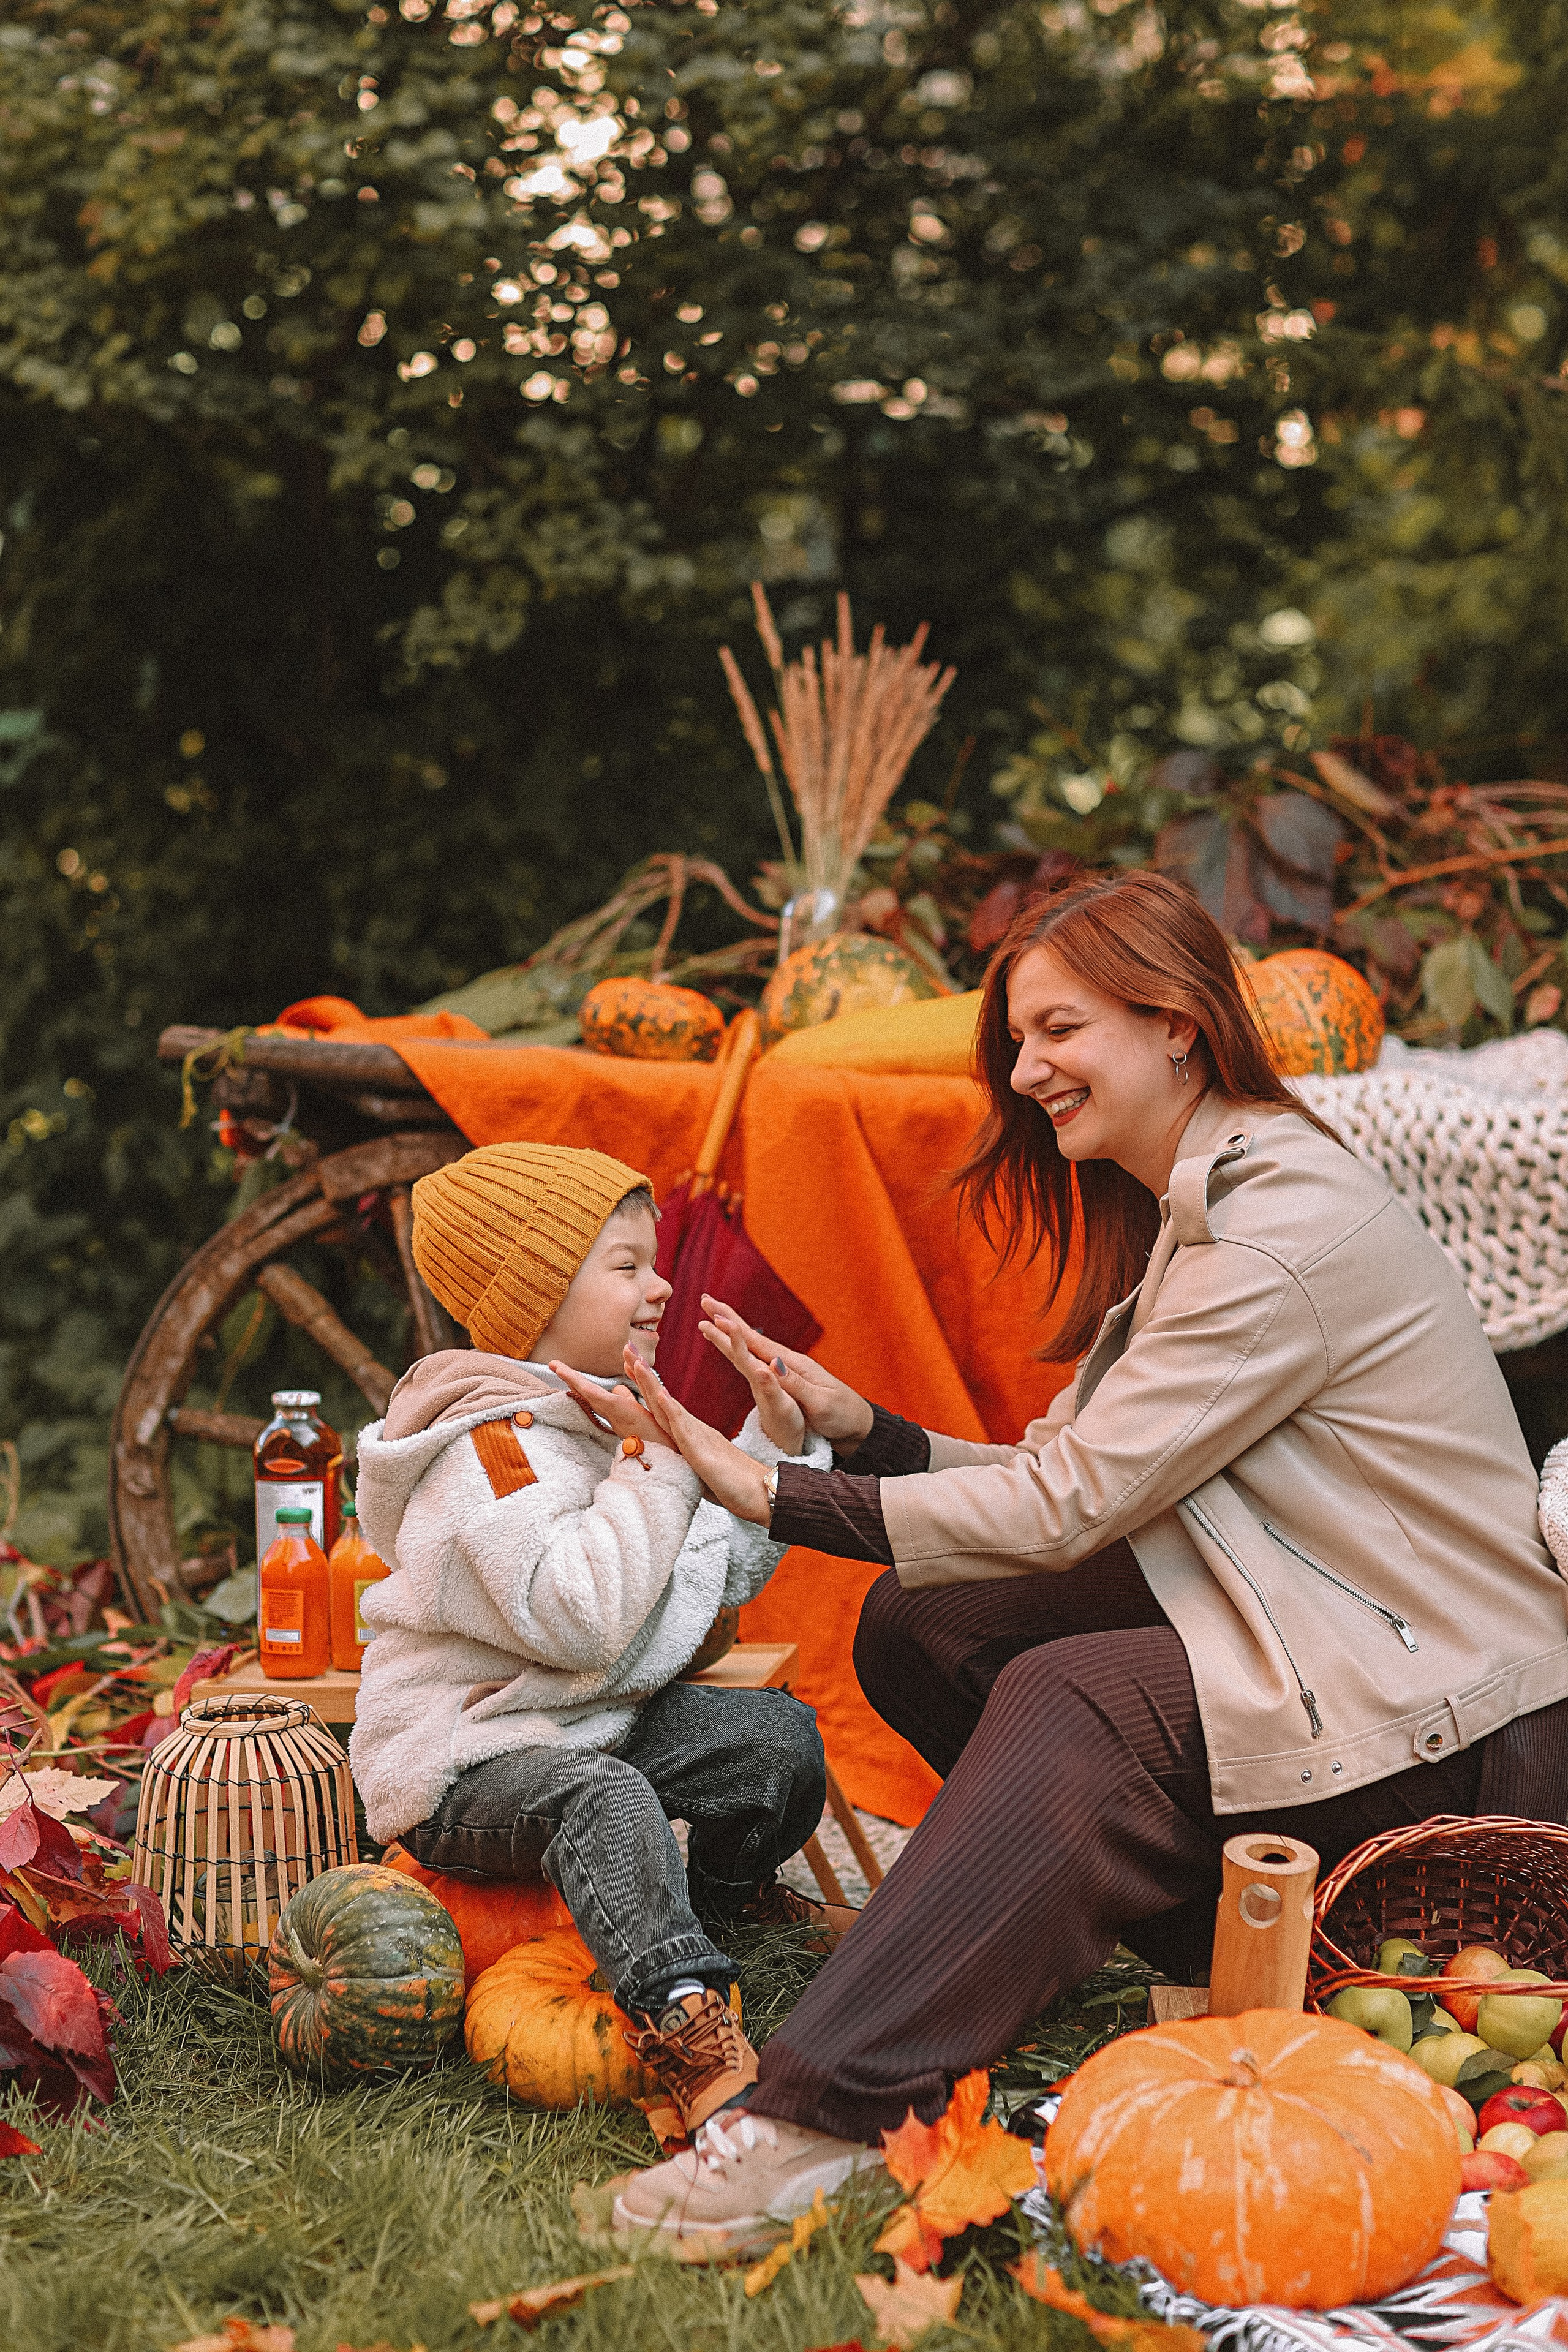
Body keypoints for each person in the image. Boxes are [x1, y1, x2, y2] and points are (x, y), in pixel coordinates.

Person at [548, 870, 1568, 2255]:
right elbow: (1057, 1488)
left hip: (1467, 1735)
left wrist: (770, 1489)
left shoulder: (1276, 1229)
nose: (1024, 1072)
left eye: (1056, 1030)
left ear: (1177, 1028)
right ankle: (1214, 1955)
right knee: (929, 1619)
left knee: (1079, 1705)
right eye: (1017, 1040)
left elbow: (1068, 1503)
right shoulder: (1208, 1209)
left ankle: (812, 2124)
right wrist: (869, 1436)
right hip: (1342, 1645)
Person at [350, 1140, 851, 2135]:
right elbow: (583, 1617)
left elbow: (707, 1574)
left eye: (651, 1261)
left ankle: (706, 1909)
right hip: (467, 1765)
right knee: (604, 1795)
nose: (661, 1286)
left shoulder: (584, 1422)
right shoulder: (489, 1455)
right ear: (533, 1296)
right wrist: (659, 1467)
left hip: (578, 1728)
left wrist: (774, 1443)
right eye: (625, 1265)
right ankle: (680, 2015)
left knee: (775, 1741)